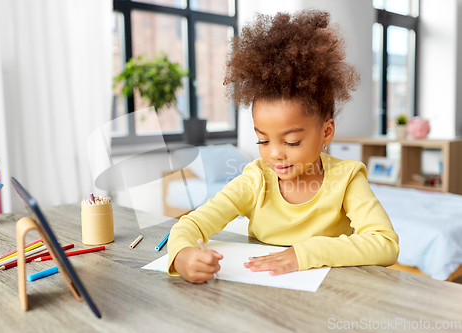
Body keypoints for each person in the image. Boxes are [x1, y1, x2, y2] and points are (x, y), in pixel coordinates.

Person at [168, 9, 399, 283]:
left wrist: (303, 253)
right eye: (262, 140)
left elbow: (385, 244)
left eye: (292, 141)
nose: (275, 153)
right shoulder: (255, 181)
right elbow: (194, 222)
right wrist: (182, 253)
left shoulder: (347, 178)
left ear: (326, 131)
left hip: (331, 297)